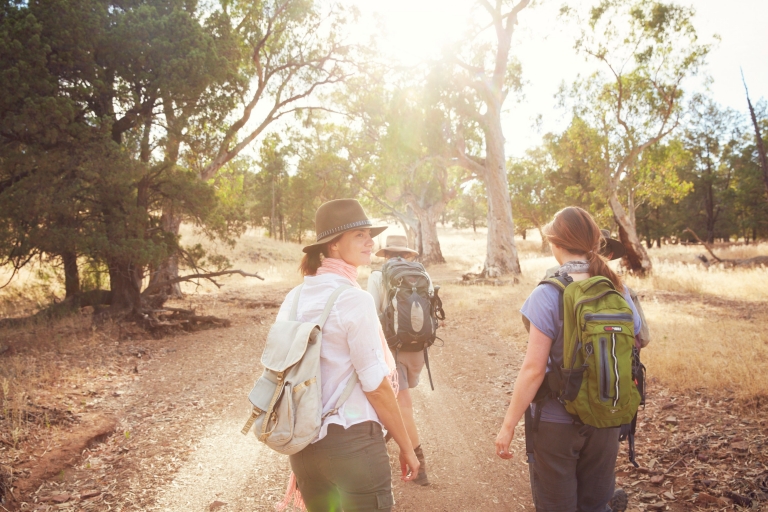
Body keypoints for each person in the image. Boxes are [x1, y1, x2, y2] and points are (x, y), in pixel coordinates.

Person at [495, 207, 642, 512]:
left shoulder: (548, 293)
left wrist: (508, 425)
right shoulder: (616, 288)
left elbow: (534, 370)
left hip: (556, 423)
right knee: (597, 505)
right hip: (606, 418)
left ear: (556, 243)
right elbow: (637, 341)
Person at [278, 199, 419, 512]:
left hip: (303, 449)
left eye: (369, 233)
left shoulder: (294, 297)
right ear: (334, 246)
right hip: (353, 447)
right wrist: (407, 446)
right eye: (359, 234)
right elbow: (376, 386)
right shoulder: (354, 298)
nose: (370, 241)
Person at [367, 235, 432, 486]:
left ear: (385, 255)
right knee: (397, 400)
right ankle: (385, 443)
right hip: (417, 352)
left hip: (390, 350)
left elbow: (371, 314)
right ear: (407, 254)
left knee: (401, 404)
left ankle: (420, 465)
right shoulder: (422, 273)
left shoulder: (377, 276)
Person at [544, 229, 650, 347]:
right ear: (610, 256)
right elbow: (643, 337)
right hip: (614, 362)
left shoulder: (554, 279)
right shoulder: (622, 289)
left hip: (567, 361)